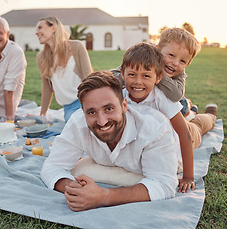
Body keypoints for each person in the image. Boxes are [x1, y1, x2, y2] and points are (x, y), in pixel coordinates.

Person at [41, 71, 179, 212]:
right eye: (92, 112)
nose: (102, 121)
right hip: (115, 162)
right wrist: (75, 190)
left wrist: (103, 196)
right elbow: (52, 167)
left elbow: (164, 184)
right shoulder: (78, 123)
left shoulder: (155, 128)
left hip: (180, 140)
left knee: (196, 127)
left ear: (124, 105)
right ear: (83, 111)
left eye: (109, 109)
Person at [120, 42, 217, 193]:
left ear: (158, 78)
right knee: (190, 120)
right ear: (123, 73)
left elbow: (184, 134)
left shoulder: (160, 97)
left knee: (198, 126)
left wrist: (188, 177)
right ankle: (191, 111)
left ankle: (210, 115)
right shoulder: (121, 95)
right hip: (159, 136)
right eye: (132, 74)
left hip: (187, 138)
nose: (138, 81)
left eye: (146, 76)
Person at [111, 28, 201, 120]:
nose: (176, 63)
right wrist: (132, 75)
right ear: (157, 49)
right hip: (148, 100)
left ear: (188, 63)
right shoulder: (146, 57)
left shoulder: (179, 72)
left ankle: (193, 111)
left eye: (182, 61)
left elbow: (176, 95)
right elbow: (116, 74)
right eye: (171, 55)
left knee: (184, 107)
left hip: (171, 101)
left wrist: (154, 74)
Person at [35, 16, 93, 122]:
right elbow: (47, 88)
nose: (36, 32)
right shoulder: (41, 57)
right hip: (69, 108)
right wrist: (43, 113)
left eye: (40, 28)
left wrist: (88, 107)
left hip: (85, 101)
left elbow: (88, 78)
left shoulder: (77, 47)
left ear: (53, 28)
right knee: (74, 125)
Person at [0, 17, 27, 121]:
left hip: (3, 111)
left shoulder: (16, 52)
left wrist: (9, 120)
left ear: (7, 34)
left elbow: (9, 90)